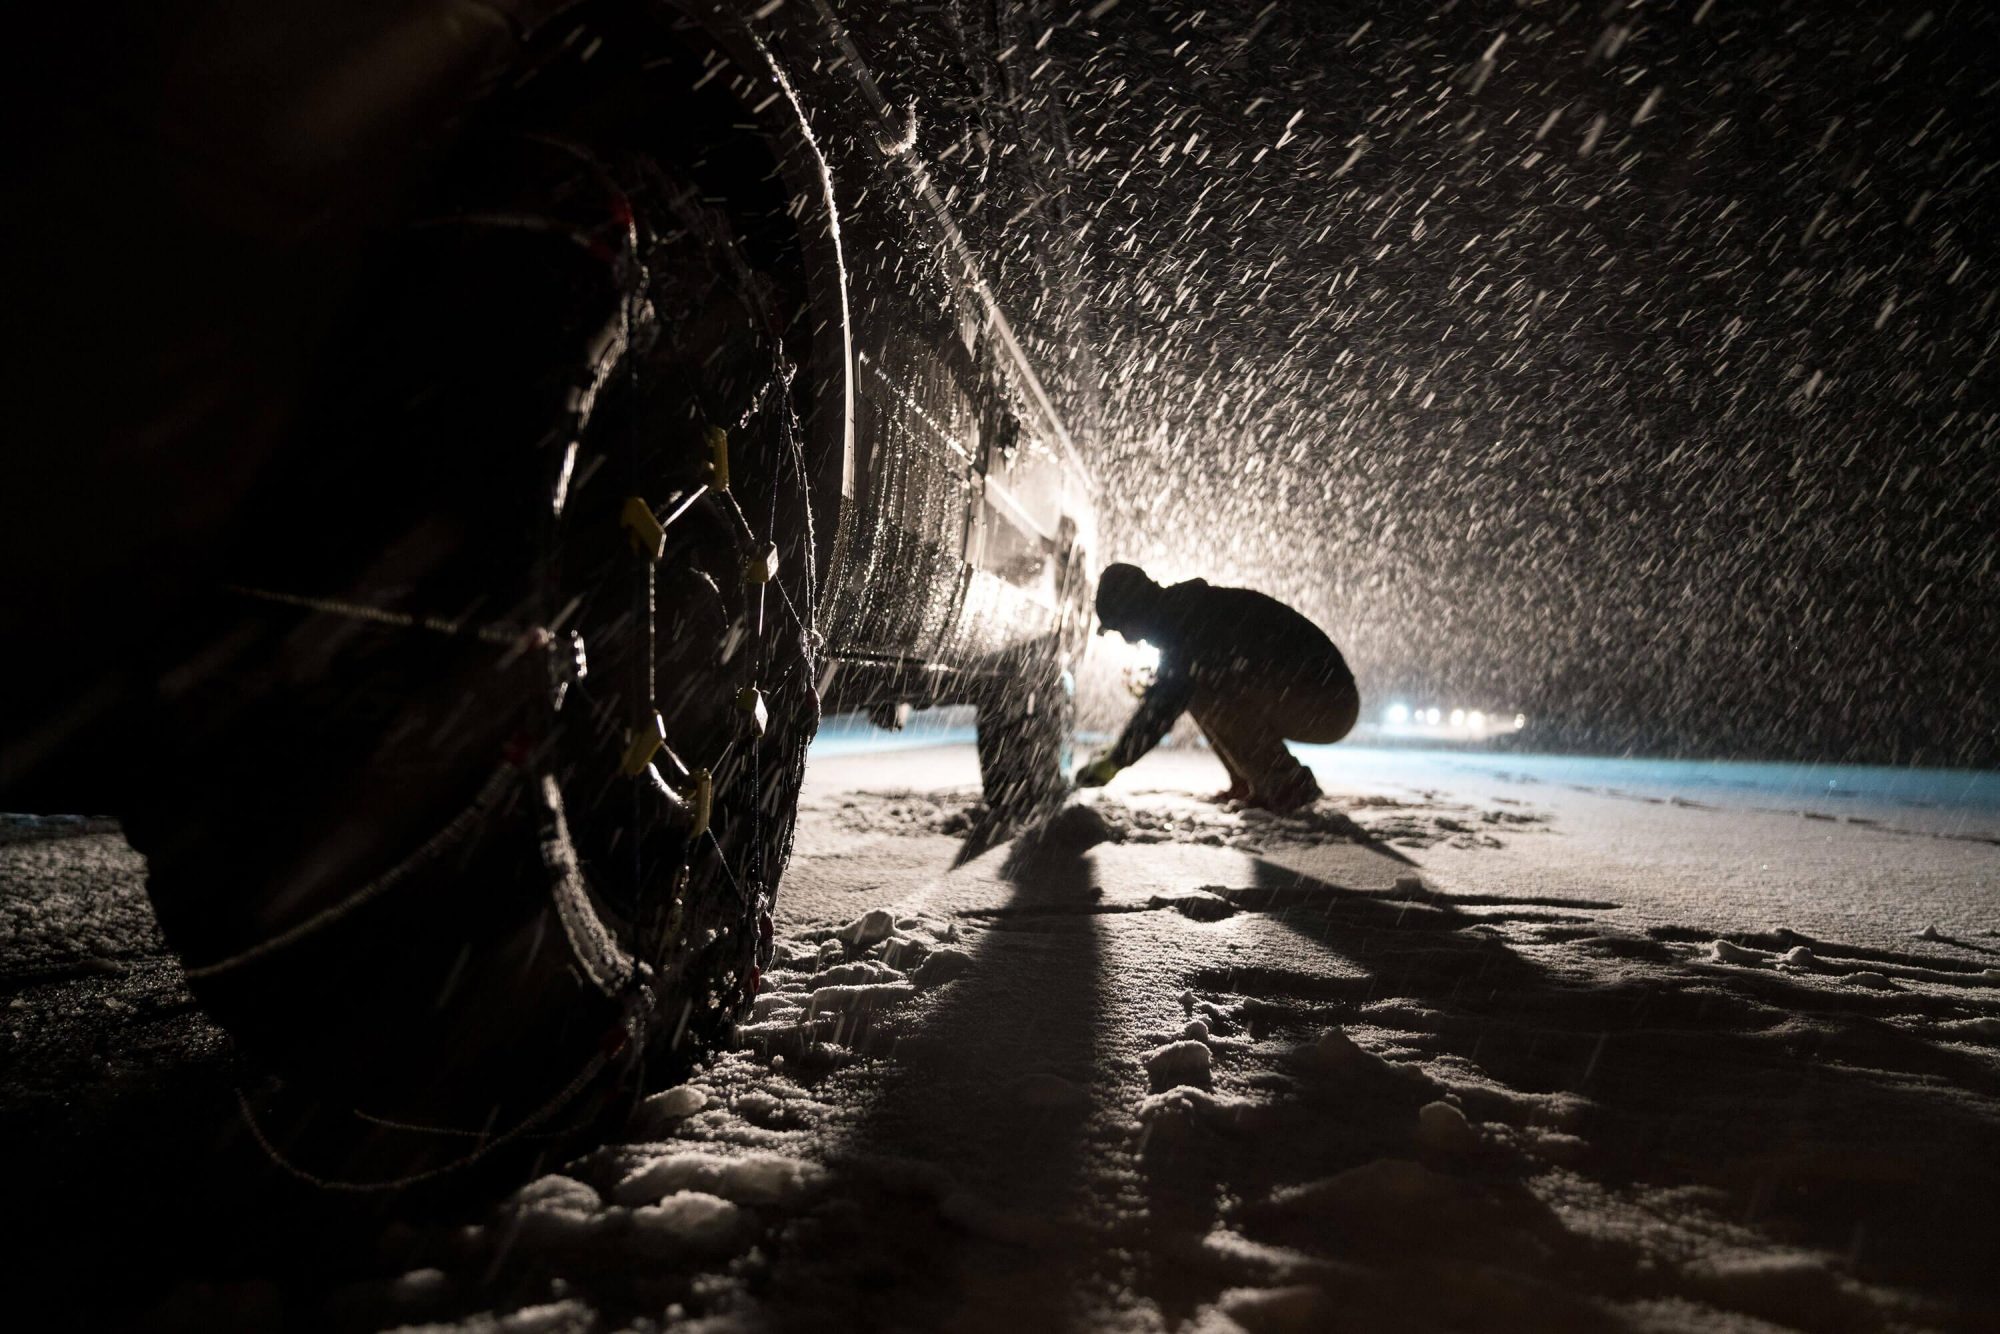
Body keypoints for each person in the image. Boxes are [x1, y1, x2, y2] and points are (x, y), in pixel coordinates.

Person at [1075, 563, 1359, 812]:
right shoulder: (1183, 614)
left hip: (1330, 703)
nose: (1126, 639)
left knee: (1201, 692)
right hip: (1321, 696)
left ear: (1135, 610)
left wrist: (1116, 760)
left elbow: (1166, 706)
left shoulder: (1186, 623)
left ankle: (1288, 787)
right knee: (1196, 689)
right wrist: (1158, 691)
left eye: (1121, 627)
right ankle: (1251, 782)